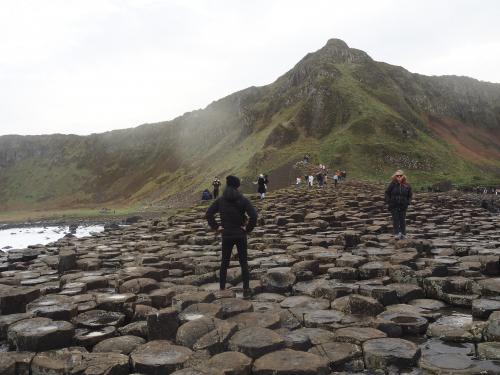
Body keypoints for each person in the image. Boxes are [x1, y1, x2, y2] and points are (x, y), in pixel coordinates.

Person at [205, 175, 257, 298]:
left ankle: (222, 289)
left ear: (227, 185)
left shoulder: (221, 200)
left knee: (224, 262)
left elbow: (209, 214)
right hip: (240, 234)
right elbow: (254, 216)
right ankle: (246, 289)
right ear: (237, 186)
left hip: (226, 235)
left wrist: (217, 227)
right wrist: (247, 228)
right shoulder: (243, 199)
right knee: (243, 263)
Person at [385, 169, 412, 240]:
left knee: (402, 220)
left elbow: (410, 195)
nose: (399, 177)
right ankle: (397, 233)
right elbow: (387, 193)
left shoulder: (407, 185)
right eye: (397, 176)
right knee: (395, 220)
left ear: (403, 176)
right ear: (395, 176)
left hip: (403, 205)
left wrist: (408, 202)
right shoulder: (392, 184)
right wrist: (389, 201)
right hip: (394, 205)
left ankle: (403, 233)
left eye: (400, 175)